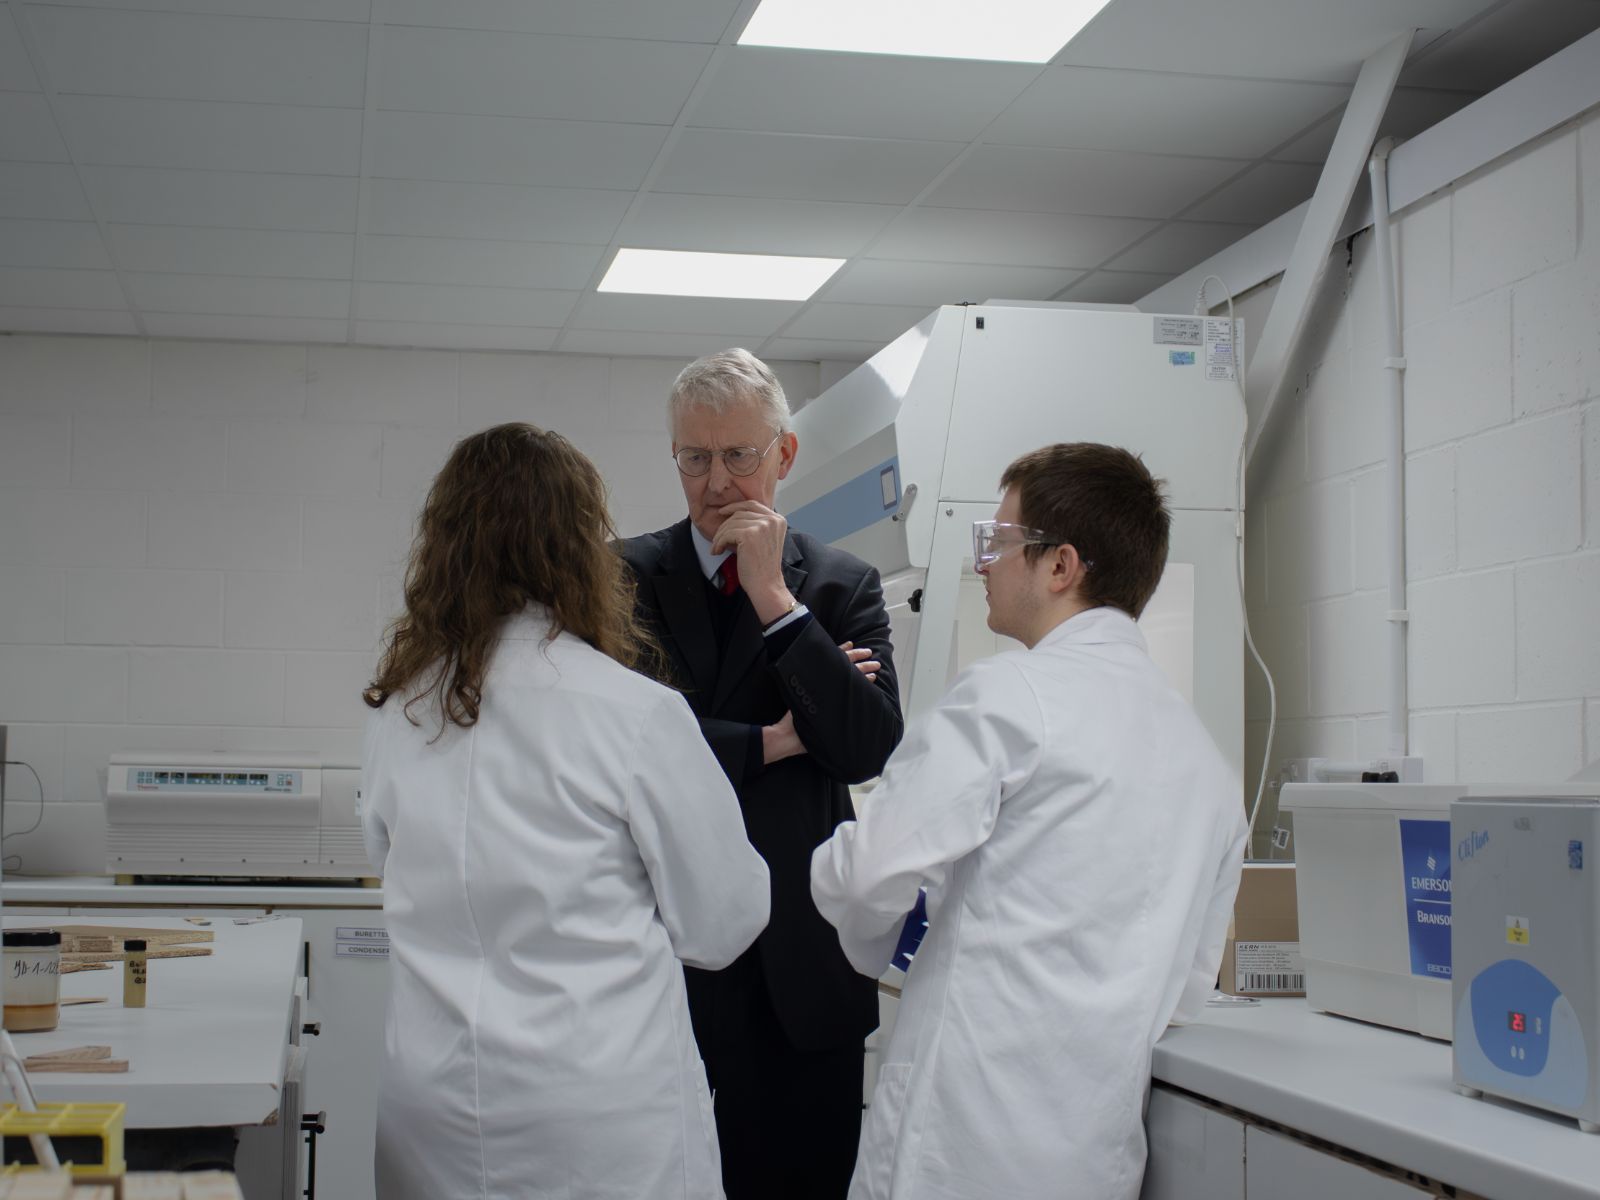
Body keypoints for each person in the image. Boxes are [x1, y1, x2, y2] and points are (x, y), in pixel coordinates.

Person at [812, 442, 1247, 1200]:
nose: (984, 563)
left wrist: (876, 929)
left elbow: (867, 876)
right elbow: (1183, 995)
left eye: (998, 542)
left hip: (956, 1151)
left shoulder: (1010, 696)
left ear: (1060, 566)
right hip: (1090, 1163)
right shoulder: (1210, 770)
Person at [361, 423, 770, 1200]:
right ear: (581, 546)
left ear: (444, 547)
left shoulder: (397, 712)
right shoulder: (634, 712)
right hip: (599, 1117)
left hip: (434, 1105)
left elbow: (388, 863)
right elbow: (724, 923)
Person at [619, 349, 905, 1199]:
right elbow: (615, 749)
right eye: (694, 458)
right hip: (659, 964)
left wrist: (779, 602)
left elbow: (865, 747)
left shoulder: (843, 585)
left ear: (783, 455)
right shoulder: (620, 578)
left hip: (801, 977)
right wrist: (775, 741)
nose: (715, 483)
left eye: (738, 455)